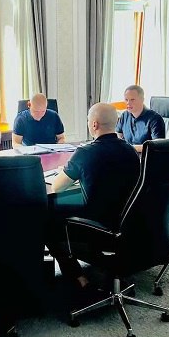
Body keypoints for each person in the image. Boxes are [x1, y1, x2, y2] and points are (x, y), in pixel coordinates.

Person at [51, 102, 141, 291]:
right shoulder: (131, 151)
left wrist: (69, 172)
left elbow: (57, 186)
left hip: (96, 219)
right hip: (128, 221)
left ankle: (77, 276)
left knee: (47, 209)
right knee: (64, 201)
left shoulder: (85, 153)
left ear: (94, 124)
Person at [116, 85, 165, 153]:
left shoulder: (155, 119)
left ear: (142, 100)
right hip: (127, 154)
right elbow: (118, 135)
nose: (128, 103)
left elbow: (157, 146)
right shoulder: (124, 115)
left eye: (132, 100)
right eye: (126, 100)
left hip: (145, 156)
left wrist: (129, 148)